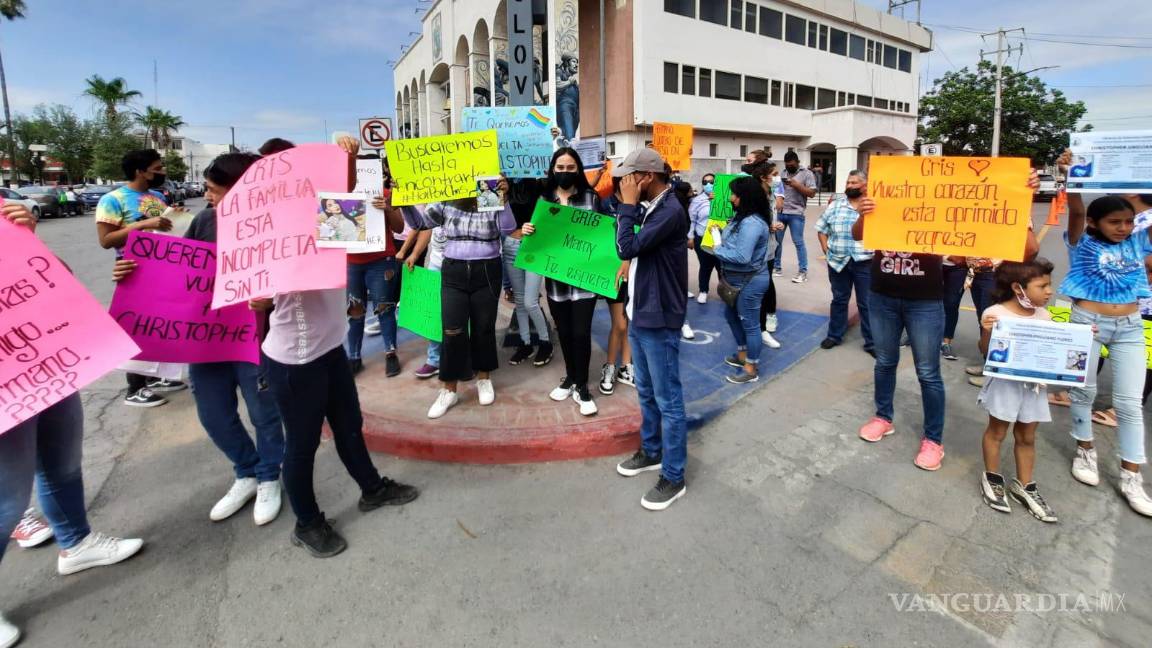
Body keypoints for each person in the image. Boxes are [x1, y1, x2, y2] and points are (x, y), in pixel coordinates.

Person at [259, 136, 419, 557]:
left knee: (350, 426)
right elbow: (253, 289)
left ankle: (372, 489)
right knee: (302, 445)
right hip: (294, 359)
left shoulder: (320, 215)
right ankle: (307, 523)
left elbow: (349, 201)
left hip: (329, 349)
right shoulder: (271, 228)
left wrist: (347, 159)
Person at [111, 152, 287, 527]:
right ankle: (247, 471)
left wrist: (272, 295)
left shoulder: (277, 226)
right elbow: (175, 269)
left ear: (241, 190)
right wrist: (131, 273)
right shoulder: (205, 220)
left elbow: (299, 280)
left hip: (254, 338)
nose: (206, 197)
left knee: (263, 414)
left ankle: (271, 476)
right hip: (205, 338)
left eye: (213, 190)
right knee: (213, 415)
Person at [2, 202, 144, 648]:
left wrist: (28, 243)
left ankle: (76, 543)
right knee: (7, 498)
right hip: (8, 381)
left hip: (46, 363)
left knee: (61, 464)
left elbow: (53, 281)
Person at [854, 171, 1041, 471]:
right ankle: (883, 417)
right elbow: (859, 233)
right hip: (882, 298)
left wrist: (1020, 196)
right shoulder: (884, 205)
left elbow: (1018, 243)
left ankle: (933, 439)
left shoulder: (943, 217)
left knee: (928, 372)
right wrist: (865, 213)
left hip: (925, 302)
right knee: (884, 363)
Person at [1061, 193, 1152, 516]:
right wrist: (1073, 180)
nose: (1124, 228)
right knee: (1082, 391)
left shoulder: (1139, 241)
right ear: (1093, 223)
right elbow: (1075, 210)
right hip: (1085, 324)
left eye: (1128, 221)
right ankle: (1084, 449)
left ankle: (1132, 476)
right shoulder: (1081, 242)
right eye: (1115, 222)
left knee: (1128, 404)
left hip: (1130, 327)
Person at [611, 148, 690, 511]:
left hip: (659, 317)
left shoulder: (671, 210)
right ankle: (652, 450)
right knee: (646, 390)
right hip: (642, 311)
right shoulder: (657, 206)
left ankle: (674, 476)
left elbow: (627, 244)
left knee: (668, 399)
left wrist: (627, 206)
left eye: (630, 177)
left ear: (646, 176)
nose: (625, 184)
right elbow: (637, 251)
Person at [402, 181, 515, 419]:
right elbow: (420, 223)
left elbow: (507, 228)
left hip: (487, 269)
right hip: (453, 270)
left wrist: (503, 197)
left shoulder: (489, 192)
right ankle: (448, 389)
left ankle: (484, 378)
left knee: (484, 328)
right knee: (452, 330)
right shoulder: (447, 194)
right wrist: (404, 203)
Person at [95, 149, 187, 408]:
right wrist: (141, 225)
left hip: (163, 270)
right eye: (157, 167)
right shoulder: (112, 200)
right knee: (138, 329)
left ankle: (156, 376)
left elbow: (166, 228)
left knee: (160, 326)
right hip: (133, 270)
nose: (162, 172)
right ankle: (135, 388)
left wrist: (174, 216)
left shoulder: (156, 196)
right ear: (140, 171)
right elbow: (106, 241)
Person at [522, 148, 601, 416]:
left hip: (584, 281)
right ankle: (569, 377)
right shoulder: (544, 199)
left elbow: (602, 237)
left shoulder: (591, 198)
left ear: (578, 169)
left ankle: (582, 385)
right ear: (552, 169)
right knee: (565, 332)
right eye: (560, 167)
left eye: (570, 168)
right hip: (556, 281)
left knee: (581, 333)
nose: (564, 172)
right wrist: (527, 230)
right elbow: (536, 236)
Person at [977, 259, 1058, 522]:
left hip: (1034, 387)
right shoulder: (995, 313)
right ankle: (992, 477)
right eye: (1042, 285)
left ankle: (1024, 485)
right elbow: (985, 352)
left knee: (1027, 436)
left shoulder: (1045, 316)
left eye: (1049, 285)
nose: (1049, 291)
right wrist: (988, 334)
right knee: (997, 431)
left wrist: (1077, 340)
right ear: (1018, 288)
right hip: (1005, 385)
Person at [711, 176, 774, 384]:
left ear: (744, 197)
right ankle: (742, 355)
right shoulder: (741, 219)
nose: (730, 198)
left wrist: (717, 249)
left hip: (749, 281)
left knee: (750, 324)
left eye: (734, 194)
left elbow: (742, 257)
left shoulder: (752, 224)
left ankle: (751, 367)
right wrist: (721, 236)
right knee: (730, 315)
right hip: (735, 279)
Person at [348, 177, 405, 377]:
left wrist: (388, 208)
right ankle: (354, 356)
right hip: (352, 262)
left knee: (385, 308)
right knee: (355, 312)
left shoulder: (385, 193)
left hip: (381, 260)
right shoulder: (339, 193)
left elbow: (399, 228)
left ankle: (391, 353)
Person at [815, 169, 874, 354]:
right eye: (848, 182)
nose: (849, 186)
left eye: (854, 183)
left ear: (865, 185)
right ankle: (834, 335)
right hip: (837, 261)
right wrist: (825, 248)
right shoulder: (835, 205)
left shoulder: (872, 206)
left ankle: (871, 342)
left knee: (866, 302)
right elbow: (821, 228)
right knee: (839, 300)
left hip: (864, 261)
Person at [503, 177, 554, 368]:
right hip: (511, 245)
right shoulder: (503, 184)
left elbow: (550, 214)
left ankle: (545, 342)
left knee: (530, 301)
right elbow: (498, 219)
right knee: (520, 300)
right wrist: (503, 193)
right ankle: (525, 344)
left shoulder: (540, 183)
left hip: (534, 247)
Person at [742, 152, 783, 349]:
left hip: (769, 249)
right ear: (763, 177)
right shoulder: (752, 194)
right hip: (756, 251)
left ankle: (764, 325)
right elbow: (749, 222)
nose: (777, 178)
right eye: (774, 174)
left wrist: (772, 226)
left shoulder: (771, 194)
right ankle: (758, 331)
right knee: (755, 290)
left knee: (765, 286)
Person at [599, 177, 634, 395]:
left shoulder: (640, 206)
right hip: (612, 273)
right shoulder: (605, 205)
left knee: (630, 322)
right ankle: (610, 366)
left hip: (636, 273)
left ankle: (626, 366)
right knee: (619, 325)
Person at [773, 151, 817, 284]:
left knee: (798, 243)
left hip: (796, 213)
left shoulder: (807, 173)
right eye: (787, 165)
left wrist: (796, 184)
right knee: (777, 242)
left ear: (797, 162)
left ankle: (802, 271)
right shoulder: (783, 172)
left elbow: (812, 193)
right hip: (781, 212)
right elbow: (778, 190)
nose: (789, 167)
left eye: (791, 165)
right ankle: (777, 268)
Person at [688, 173, 717, 305]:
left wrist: (717, 201)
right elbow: (692, 220)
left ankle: (727, 291)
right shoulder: (697, 200)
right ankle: (703, 291)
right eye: (705, 182)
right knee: (705, 266)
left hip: (720, 238)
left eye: (711, 182)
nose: (708, 185)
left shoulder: (724, 199)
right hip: (702, 237)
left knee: (722, 266)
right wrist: (690, 237)